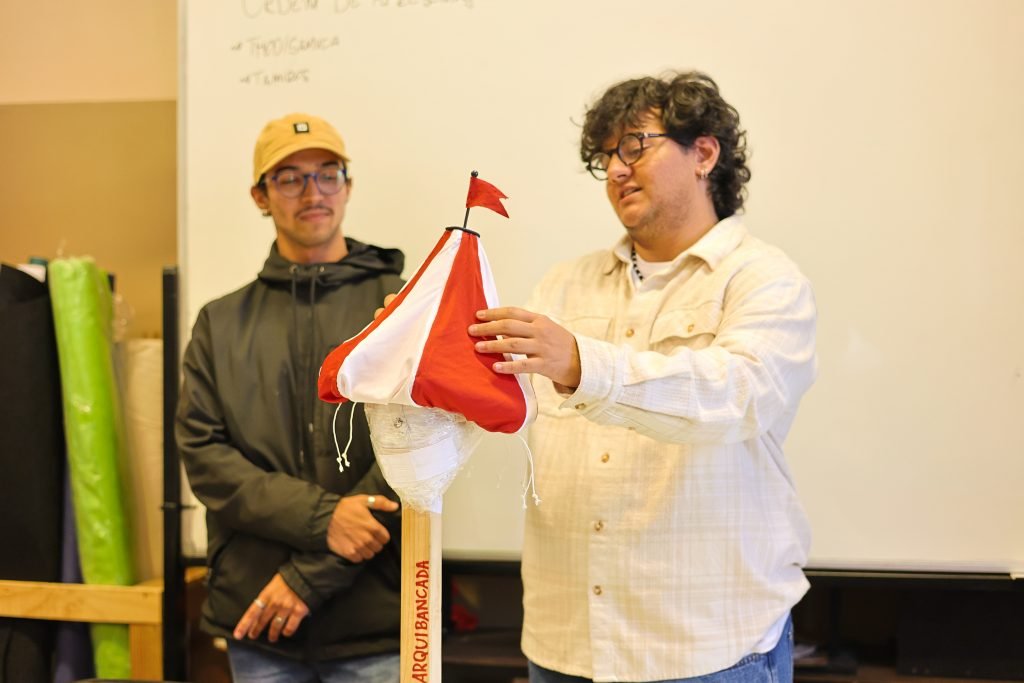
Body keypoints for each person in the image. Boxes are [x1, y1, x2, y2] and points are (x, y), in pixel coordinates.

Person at [469, 71, 818, 682]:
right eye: (607, 156)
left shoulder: (763, 278)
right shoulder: (563, 284)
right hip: (563, 642)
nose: (617, 170)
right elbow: (500, 403)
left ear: (704, 153)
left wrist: (583, 365)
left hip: (705, 647)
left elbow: (736, 394)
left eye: (636, 145)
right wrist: (423, 347)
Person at [176, 113, 405, 682]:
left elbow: (418, 450)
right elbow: (206, 459)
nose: (313, 193)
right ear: (260, 196)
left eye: (328, 174)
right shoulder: (220, 322)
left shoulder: (398, 309)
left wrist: (309, 577)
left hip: (374, 620)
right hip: (259, 624)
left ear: (348, 185)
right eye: (290, 178)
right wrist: (324, 519)